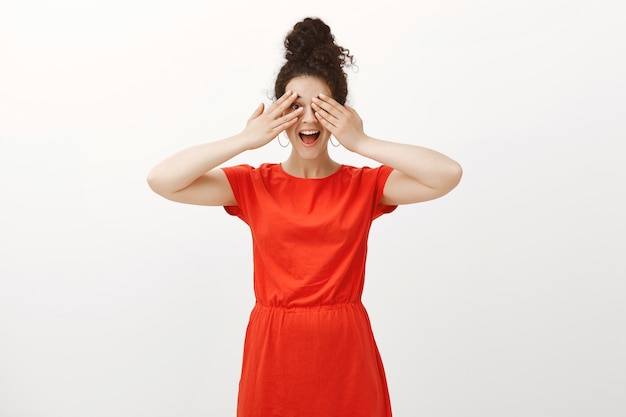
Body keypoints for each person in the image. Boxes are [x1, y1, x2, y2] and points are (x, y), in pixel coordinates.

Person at [147, 17, 462, 417]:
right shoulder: (254, 185)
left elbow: (447, 175)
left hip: (345, 355)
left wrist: (362, 142)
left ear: (340, 114)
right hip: (274, 352)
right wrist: (246, 139)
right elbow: (161, 180)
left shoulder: (363, 186)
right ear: (279, 113)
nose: (309, 120)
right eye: (295, 107)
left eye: (321, 107)